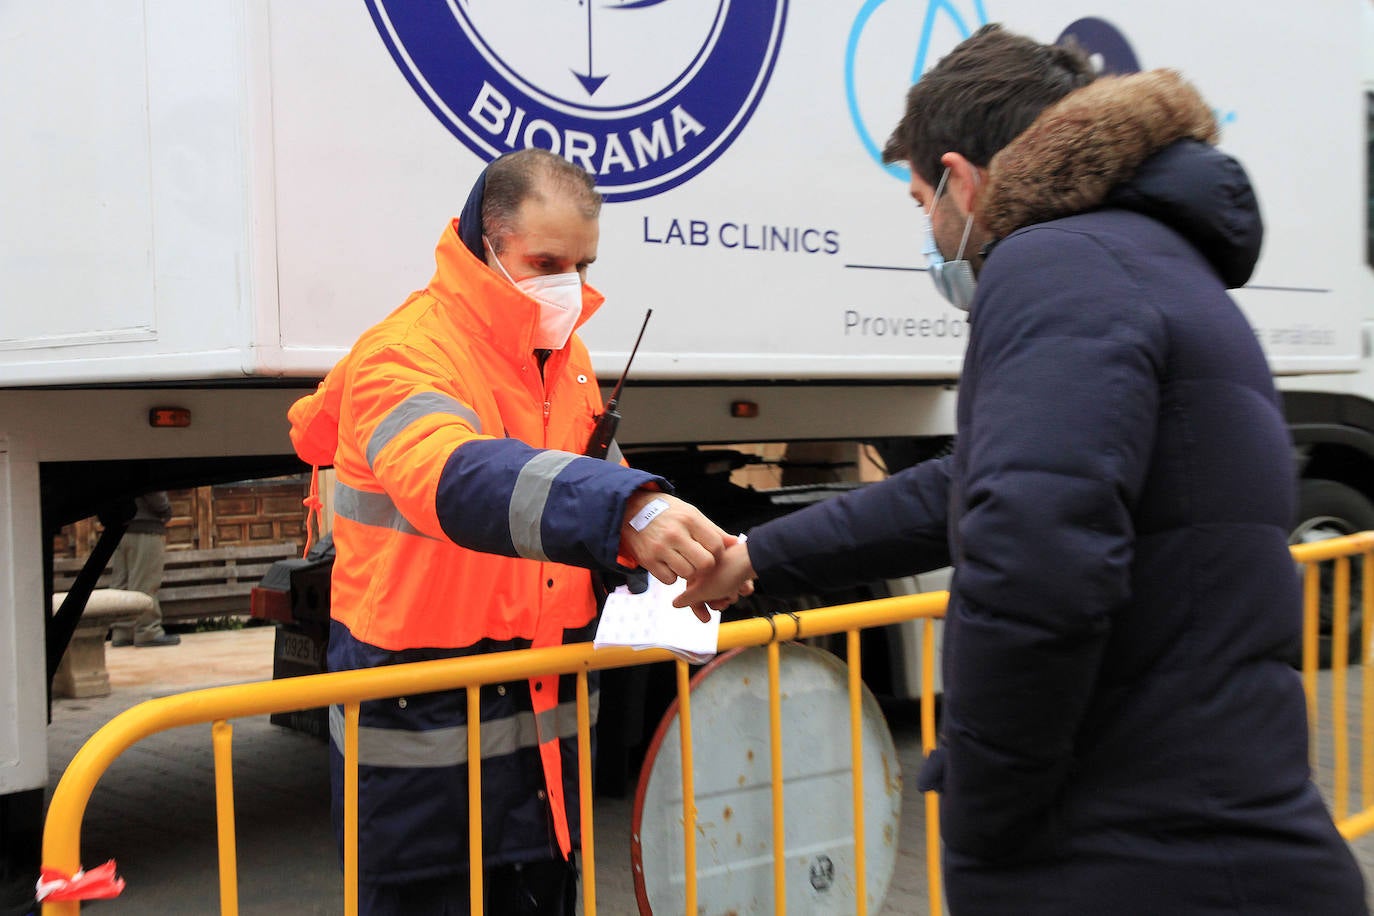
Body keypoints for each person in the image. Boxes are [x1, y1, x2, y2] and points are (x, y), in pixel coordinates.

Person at [678, 25, 1368, 915]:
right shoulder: (1149, 260)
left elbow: (1039, 559)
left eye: (924, 198)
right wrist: (760, 554)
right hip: (1218, 838)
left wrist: (988, 812)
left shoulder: (1055, 263)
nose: (932, 229)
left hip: (1131, 860)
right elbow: (977, 486)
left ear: (965, 181)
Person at [287, 148, 736, 915]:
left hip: (544, 756)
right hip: (422, 755)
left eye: (583, 264)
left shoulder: (567, 359)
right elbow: (454, 474)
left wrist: (671, 557)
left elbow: (594, 481)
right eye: (547, 261)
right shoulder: (403, 354)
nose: (571, 285)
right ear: (483, 242)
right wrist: (625, 511)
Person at [108, 491, 180, 648]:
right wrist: (165, 508)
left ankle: (123, 631)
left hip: (121, 527)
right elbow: (152, 488)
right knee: (145, 582)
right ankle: (148, 631)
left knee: (122, 583)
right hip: (146, 526)